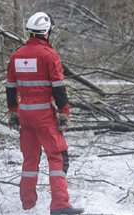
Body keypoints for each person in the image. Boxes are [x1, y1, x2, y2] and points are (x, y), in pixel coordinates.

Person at [6, 12, 84, 215]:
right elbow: (59, 88)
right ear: (47, 32)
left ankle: (27, 204)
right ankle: (60, 204)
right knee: (57, 156)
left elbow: (10, 87)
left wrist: (13, 112)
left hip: (24, 114)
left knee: (30, 159)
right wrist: (64, 112)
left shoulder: (16, 56)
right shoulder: (49, 55)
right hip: (44, 115)